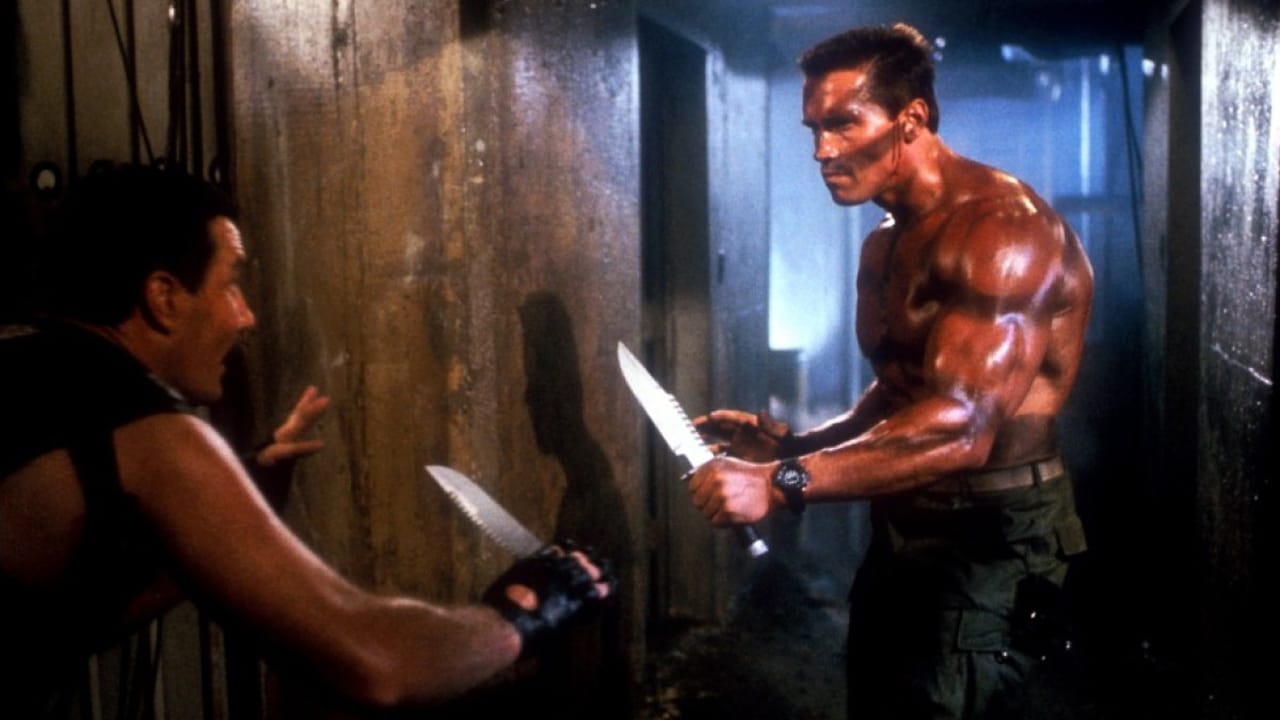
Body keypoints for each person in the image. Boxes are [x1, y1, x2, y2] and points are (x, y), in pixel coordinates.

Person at [0, 163, 614, 717]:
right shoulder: (154, 435)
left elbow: (47, 627)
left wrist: (228, 511)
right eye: (230, 284)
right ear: (163, 297)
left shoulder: (29, 369)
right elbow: (377, 663)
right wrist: (532, 608)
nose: (246, 316)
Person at [685, 23, 1093, 720]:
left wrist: (780, 483)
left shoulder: (1002, 230)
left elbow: (961, 427)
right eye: (815, 129)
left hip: (993, 536)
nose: (822, 151)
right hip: (903, 523)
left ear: (912, 119)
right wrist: (796, 447)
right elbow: (902, 391)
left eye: (844, 124)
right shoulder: (884, 243)